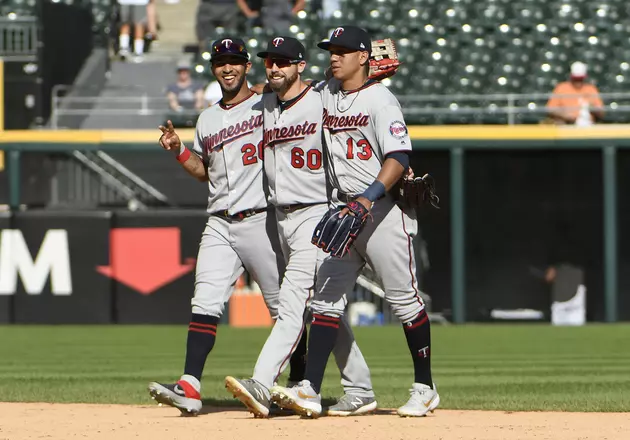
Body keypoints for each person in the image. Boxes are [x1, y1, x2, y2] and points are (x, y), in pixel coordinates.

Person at [269, 25, 440, 418]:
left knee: (404, 301)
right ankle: (310, 388)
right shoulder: (327, 92)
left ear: (364, 57)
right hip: (344, 211)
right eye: (331, 50)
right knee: (325, 300)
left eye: (343, 50)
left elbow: (399, 158)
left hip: (381, 211)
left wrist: (368, 198)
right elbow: (307, 83)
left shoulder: (382, 101)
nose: (334, 55)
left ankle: (425, 387)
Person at [147, 37, 306, 416]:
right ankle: (190, 385)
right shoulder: (207, 118)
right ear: (214, 68)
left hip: (262, 219)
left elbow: (297, 91)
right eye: (221, 62)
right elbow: (205, 173)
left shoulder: (268, 102)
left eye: (235, 61)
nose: (228, 68)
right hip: (219, 222)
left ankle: (300, 384)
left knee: (284, 308)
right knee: (204, 300)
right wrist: (179, 150)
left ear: (247, 65)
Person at [224, 35, 376, 418]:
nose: (275, 67)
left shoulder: (321, 97)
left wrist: (369, 63)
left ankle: (262, 381)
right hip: (281, 218)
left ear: (301, 65)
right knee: (322, 308)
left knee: (293, 303)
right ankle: (360, 387)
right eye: (270, 61)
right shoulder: (266, 103)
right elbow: (253, 90)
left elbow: (351, 88)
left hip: (315, 213)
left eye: (284, 61)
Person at [546, 61, 604, 126]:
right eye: (576, 79)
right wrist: (565, 116)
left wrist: (592, 108)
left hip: (588, 127)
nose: (578, 82)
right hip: (567, 126)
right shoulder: (561, 88)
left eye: (580, 79)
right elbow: (550, 109)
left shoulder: (591, 89)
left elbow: (601, 113)